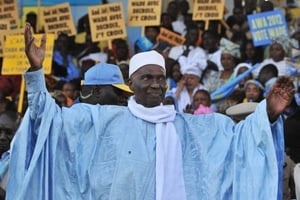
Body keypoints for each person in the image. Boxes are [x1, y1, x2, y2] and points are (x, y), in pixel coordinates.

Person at [6, 23, 296, 200]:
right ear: (131, 83)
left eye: (160, 78)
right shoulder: (104, 118)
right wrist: (35, 70)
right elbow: (48, 118)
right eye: (147, 77)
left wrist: (267, 113)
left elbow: (238, 140)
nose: (156, 84)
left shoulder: (191, 126)